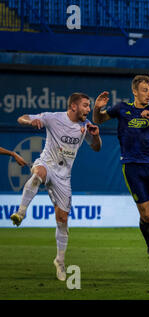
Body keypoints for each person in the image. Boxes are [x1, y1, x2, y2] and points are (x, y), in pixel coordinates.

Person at [10, 93, 102, 281]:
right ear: (73, 107)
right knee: (38, 174)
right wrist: (30, 122)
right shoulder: (53, 118)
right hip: (47, 163)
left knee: (62, 219)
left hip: (63, 177)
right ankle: (20, 212)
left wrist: (97, 137)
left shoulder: (85, 127)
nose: (88, 109)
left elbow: (96, 148)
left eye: (89, 106)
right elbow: (22, 117)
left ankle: (60, 261)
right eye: (85, 105)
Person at [93, 75, 149, 271]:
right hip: (132, 166)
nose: (148, 94)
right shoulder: (122, 108)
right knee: (147, 215)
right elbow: (99, 119)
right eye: (144, 90)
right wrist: (97, 108)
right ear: (135, 91)